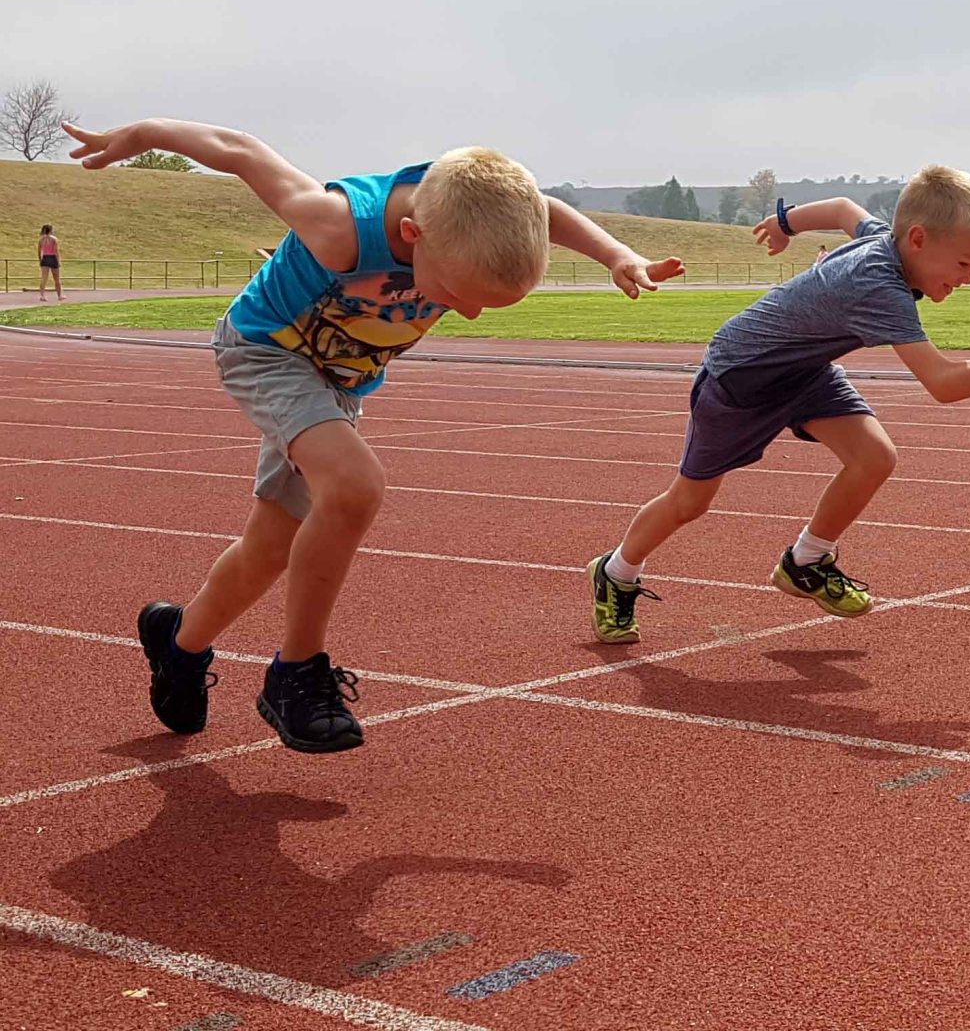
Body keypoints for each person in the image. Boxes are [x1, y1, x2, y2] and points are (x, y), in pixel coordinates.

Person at [63, 118, 681, 752]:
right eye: (456, 295)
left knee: (273, 547)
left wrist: (616, 254)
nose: (462, 313)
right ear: (411, 236)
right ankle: (296, 673)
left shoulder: (479, 214)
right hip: (267, 352)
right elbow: (242, 150)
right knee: (355, 487)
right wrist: (143, 134)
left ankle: (180, 645)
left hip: (338, 380)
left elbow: (544, 208)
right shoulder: (337, 225)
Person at [583, 168, 970, 644]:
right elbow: (943, 383)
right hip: (743, 378)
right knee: (688, 503)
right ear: (917, 239)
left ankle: (807, 561)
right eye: (963, 264)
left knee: (874, 457)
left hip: (806, 373)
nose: (967, 278)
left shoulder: (885, 239)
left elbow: (844, 207)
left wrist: (784, 223)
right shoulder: (878, 285)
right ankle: (616, 571)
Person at [37, 224, 62, 302]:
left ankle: (42, 295)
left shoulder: (41, 239)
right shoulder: (54, 239)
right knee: (57, 278)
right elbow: (56, 251)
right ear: (51, 230)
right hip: (52, 258)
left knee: (44, 278)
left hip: (45, 257)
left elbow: (39, 251)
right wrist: (58, 260)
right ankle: (59, 295)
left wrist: (40, 259)